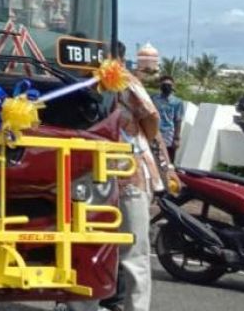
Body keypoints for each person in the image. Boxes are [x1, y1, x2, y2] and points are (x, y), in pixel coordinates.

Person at [68, 42, 177, 311]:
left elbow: (151, 117)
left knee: (120, 250)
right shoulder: (83, 82)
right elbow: (149, 119)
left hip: (121, 175)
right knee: (103, 248)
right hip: (103, 173)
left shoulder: (118, 80)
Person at [151, 74, 185, 163]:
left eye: (169, 85)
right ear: (160, 86)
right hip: (154, 134)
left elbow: (178, 121)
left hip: (168, 137)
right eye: (164, 85)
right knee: (154, 160)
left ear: (173, 87)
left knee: (168, 162)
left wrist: (176, 139)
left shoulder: (177, 102)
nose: (166, 87)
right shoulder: (154, 99)